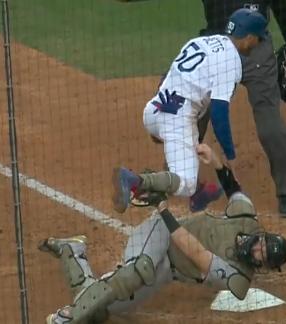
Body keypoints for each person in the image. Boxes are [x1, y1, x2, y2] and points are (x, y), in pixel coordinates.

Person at [40, 144, 286, 323]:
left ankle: (72, 251)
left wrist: (163, 207)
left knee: (103, 309)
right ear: (262, 236)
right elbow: (232, 186)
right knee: (140, 267)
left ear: (264, 266)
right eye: (262, 244)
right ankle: (70, 316)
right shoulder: (246, 218)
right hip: (159, 233)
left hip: (168, 264)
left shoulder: (239, 280)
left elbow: (196, 252)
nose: (258, 251)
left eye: (263, 257)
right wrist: (215, 159)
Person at [112, 8, 269, 215]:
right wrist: (231, 159)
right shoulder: (231, 62)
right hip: (176, 119)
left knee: (196, 118)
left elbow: (167, 77)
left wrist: (159, 126)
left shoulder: (200, 42)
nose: (258, 43)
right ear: (248, 38)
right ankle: (137, 182)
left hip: (154, 109)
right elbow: (219, 115)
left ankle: (198, 194)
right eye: (258, 38)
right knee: (186, 184)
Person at [198, 0, 286, 215]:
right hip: (236, 47)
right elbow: (281, 7)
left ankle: (172, 177)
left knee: (196, 108)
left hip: (228, 48)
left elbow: (280, 5)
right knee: (266, 115)